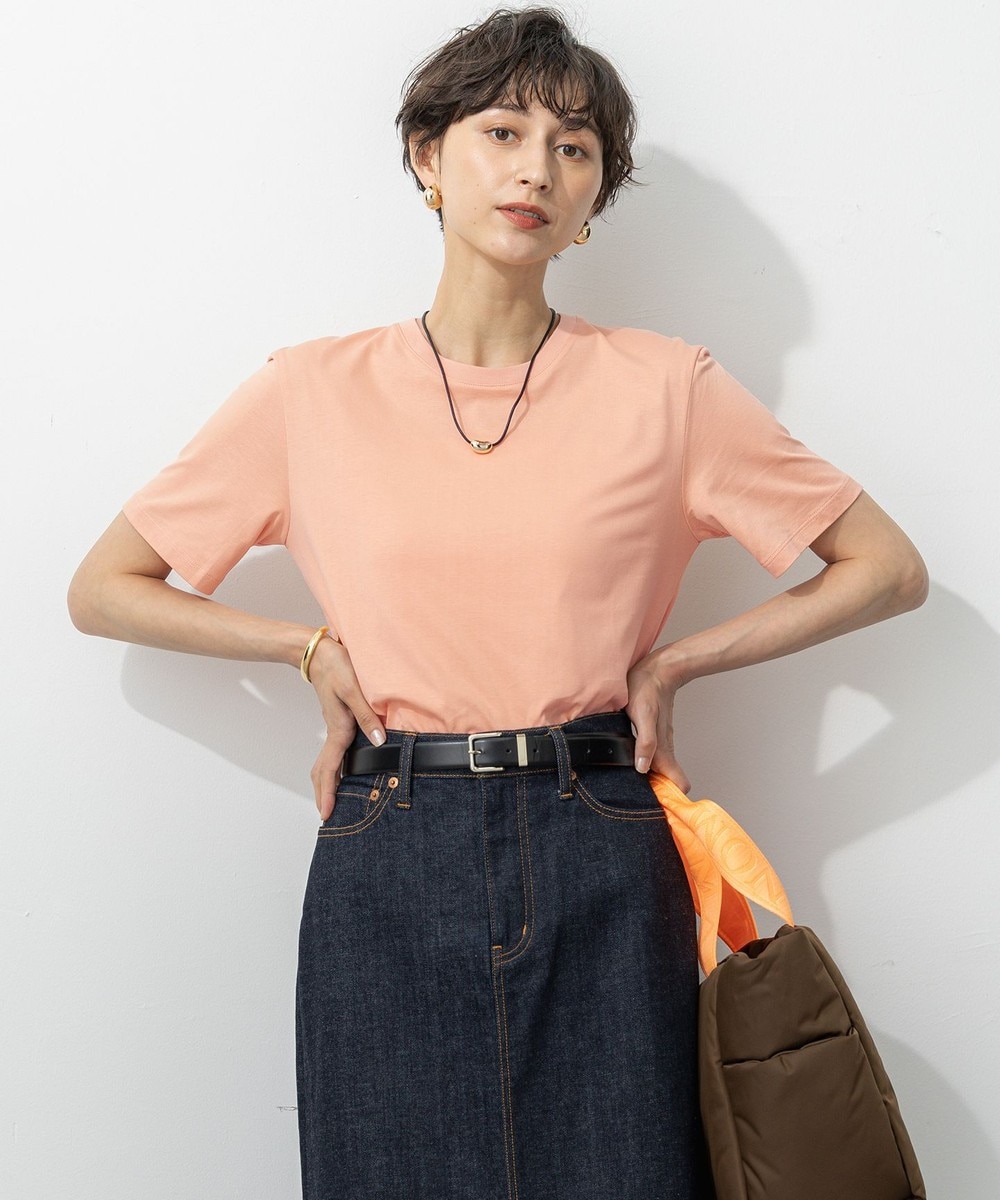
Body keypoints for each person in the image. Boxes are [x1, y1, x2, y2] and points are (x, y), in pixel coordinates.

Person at [67, 7, 928, 1199]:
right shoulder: (308, 392)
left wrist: (675, 665)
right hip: (388, 836)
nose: (536, 170)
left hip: (600, 832)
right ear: (428, 157)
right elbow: (105, 587)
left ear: (592, 199)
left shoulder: (665, 388)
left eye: (574, 148)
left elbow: (884, 566)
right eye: (502, 131)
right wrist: (303, 647)